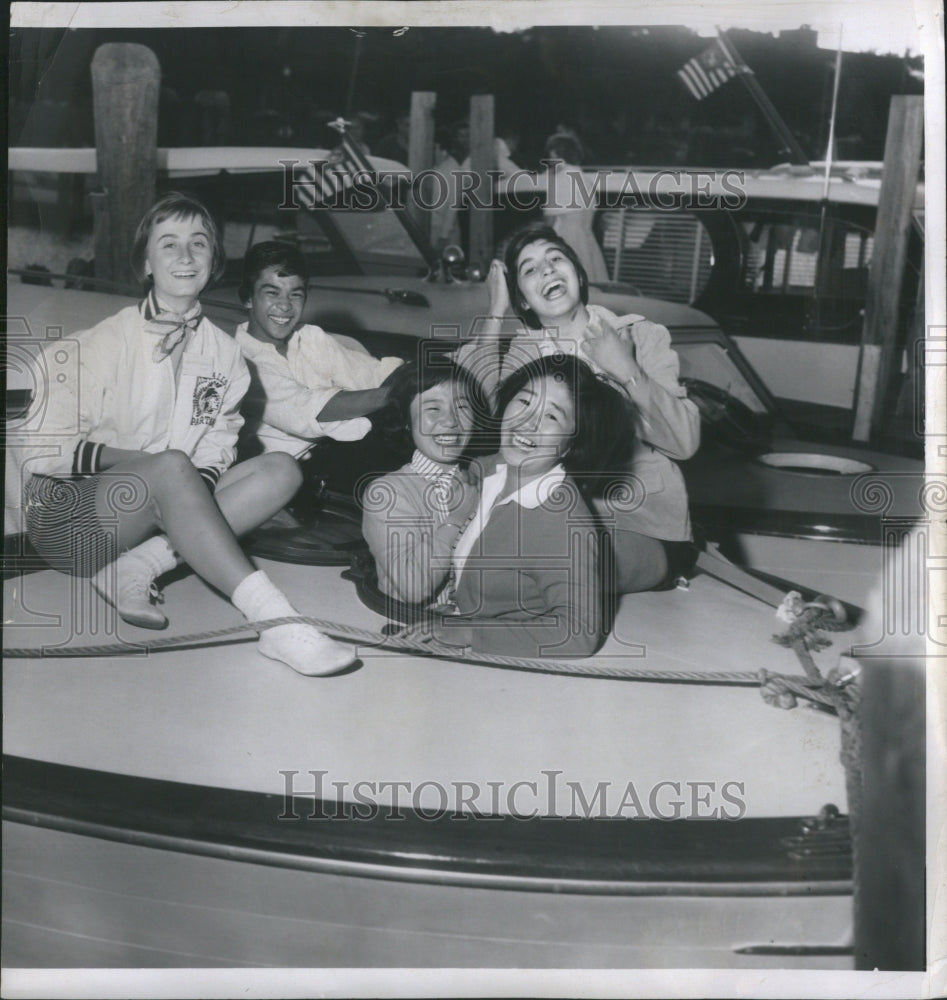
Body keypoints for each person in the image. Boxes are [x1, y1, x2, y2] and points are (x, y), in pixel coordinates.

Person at [4, 193, 355, 676]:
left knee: (282, 470)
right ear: (146, 263)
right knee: (170, 464)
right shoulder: (101, 343)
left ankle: (140, 565)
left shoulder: (226, 355)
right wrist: (143, 464)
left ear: (214, 263)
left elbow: (215, 449)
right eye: (168, 245)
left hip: (151, 514)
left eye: (198, 244)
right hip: (68, 520)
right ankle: (275, 620)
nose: (185, 256)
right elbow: (41, 451)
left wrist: (175, 486)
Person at [461, 222, 701, 594]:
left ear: (579, 275)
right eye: (529, 269)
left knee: (561, 575)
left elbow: (685, 442)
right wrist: (495, 311)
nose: (547, 270)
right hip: (545, 512)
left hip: (635, 522)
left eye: (556, 259)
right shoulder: (525, 353)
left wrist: (627, 372)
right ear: (521, 299)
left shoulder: (641, 336)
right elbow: (474, 416)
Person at [415, 354, 634, 659]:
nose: (527, 423)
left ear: (572, 442)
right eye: (525, 402)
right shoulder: (485, 469)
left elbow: (578, 633)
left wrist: (469, 632)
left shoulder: (563, 523)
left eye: (552, 416)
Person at [235, 241, 404, 458]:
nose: (285, 305)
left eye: (295, 294)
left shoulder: (310, 337)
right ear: (248, 298)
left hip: (343, 451)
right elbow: (309, 408)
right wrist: (403, 391)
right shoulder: (239, 359)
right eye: (272, 293)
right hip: (294, 472)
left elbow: (375, 373)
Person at [361, 354, 479, 606]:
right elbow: (413, 589)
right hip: (403, 627)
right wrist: (456, 520)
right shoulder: (386, 493)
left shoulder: (479, 482)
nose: (450, 421)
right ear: (405, 421)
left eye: (462, 407)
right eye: (433, 408)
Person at [541, 129, 609, 282]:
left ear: (554, 153)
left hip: (566, 240)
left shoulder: (559, 180)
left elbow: (549, 221)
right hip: (587, 240)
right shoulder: (585, 180)